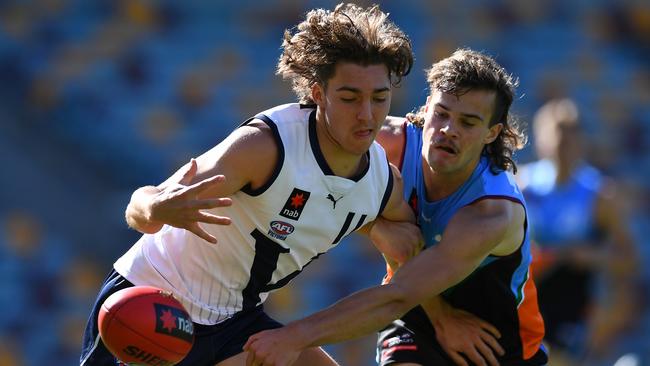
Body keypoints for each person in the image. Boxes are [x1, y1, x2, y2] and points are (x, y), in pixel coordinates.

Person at [79, 3, 419, 366]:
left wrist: (379, 233)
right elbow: (142, 208)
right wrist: (156, 208)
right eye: (350, 98)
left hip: (236, 322)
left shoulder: (381, 181)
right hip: (155, 305)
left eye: (380, 98)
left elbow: (408, 240)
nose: (367, 114)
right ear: (319, 95)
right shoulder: (267, 148)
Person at [244, 48, 548, 366]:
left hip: (492, 341)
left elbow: (399, 293)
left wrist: (293, 337)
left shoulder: (491, 213)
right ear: (427, 107)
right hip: (414, 312)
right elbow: (307, 143)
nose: (449, 130)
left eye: (468, 122)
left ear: (492, 133)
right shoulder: (386, 145)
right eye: (442, 113)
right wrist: (376, 226)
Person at [518, 98, 639, 365]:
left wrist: (590, 257)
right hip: (523, 302)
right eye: (557, 133)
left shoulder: (599, 194)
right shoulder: (522, 186)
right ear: (540, 138)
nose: (563, 143)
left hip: (571, 308)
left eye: (571, 134)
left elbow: (629, 261)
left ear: (582, 141)